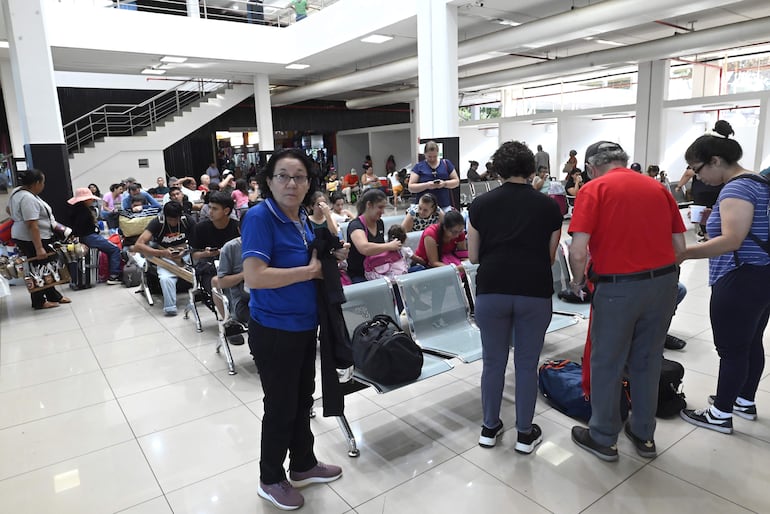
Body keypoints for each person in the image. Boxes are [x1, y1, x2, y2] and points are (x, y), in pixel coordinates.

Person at [567, 140, 685, 461]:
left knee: (607, 362)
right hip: (663, 284)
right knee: (647, 360)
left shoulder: (594, 189)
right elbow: (680, 246)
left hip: (618, 287)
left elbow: (578, 251)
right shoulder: (658, 188)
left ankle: (604, 437)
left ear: (591, 168)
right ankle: (644, 434)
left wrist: (578, 283)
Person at [241, 149, 342, 511]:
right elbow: (254, 277)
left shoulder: (300, 217)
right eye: (282, 176)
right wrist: (309, 272)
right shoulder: (259, 217)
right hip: (273, 328)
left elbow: (317, 252)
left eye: (299, 177)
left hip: (302, 325)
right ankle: (270, 479)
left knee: (302, 401)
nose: (291, 183)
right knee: (281, 405)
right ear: (268, 181)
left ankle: (302, 464)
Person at [467, 140, 563, 452]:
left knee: (493, 363)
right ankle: (524, 433)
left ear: (498, 169)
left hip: (492, 289)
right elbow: (550, 257)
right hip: (534, 291)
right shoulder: (549, 206)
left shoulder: (480, 206)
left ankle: (489, 428)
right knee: (526, 363)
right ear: (530, 168)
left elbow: (473, 256)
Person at [678, 120, 770, 434]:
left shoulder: (737, 187)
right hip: (762, 274)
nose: (698, 176)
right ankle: (743, 400)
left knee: (731, 349)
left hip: (739, 275)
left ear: (716, 161)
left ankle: (720, 414)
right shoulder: (759, 182)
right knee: (750, 342)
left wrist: (684, 253)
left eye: (698, 168)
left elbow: (732, 240)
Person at [8, 169, 71, 309]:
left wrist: (16, 218)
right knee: (37, 269)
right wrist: (39, 247)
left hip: (29, 235)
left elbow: (8, 210)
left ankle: (53, 295)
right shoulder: (27, 198)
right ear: (36, 183)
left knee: (44, 267)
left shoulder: (18, 192)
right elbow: (32, 226)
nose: (43, 185)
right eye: (43, 182)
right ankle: (39, 301)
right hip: (32, 238)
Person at [133, 201, 191, 316]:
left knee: (202, 268)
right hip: (165, 255)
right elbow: (138, 245)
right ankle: (170, 307)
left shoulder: (187, 220)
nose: (173, 223)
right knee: (165, 278)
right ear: (165, 216)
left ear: (181, 216)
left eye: (176, 219)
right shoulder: (157, 222)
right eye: (170, 220)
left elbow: (198, 241)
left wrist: (185, 250)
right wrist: (162, 252)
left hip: (186, 254)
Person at [67, 188, 122, 285]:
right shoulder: (84, 212)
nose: (92, 200)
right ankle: (114, 276)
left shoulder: (74, 211)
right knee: (114, 249)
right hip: (91, 237)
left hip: (83, 238)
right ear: (85, 200)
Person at [347, 188, 402, 283]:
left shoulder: (379, 223)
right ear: (369, 205)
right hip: (360, 274)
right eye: (380, 207)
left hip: (379, 270)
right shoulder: (356, 225)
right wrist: (389, 246)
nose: (383, 212)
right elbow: (364, 248)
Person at [189, 192, 240, 295]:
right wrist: (206, 254)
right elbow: (193, 254)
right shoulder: (201, 228)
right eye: (210, 208)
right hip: (209, 267)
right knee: (219, 289)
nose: (210, 212)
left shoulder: (237, 227)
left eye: (215, 209)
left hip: (234, 267)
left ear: (226, 211)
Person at [676, 164, 724, 243]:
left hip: (702, 191)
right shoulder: (719, 161)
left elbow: (688, 174)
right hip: (719, 189)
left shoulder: (698, 160)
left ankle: (706, 235)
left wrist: (679, 186)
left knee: (701, 212)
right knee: (716, 211)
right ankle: (717, 233)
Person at [409, 141, 460, 212]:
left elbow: (456, 182)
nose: (432, 159)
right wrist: (427, 185)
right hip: (424, 209)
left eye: (435, 156)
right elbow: (411, 187)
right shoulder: (419, 167)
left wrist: (444, 184)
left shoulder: (446, 163)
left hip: (444, 206)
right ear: (425, 154)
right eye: (429, 157)